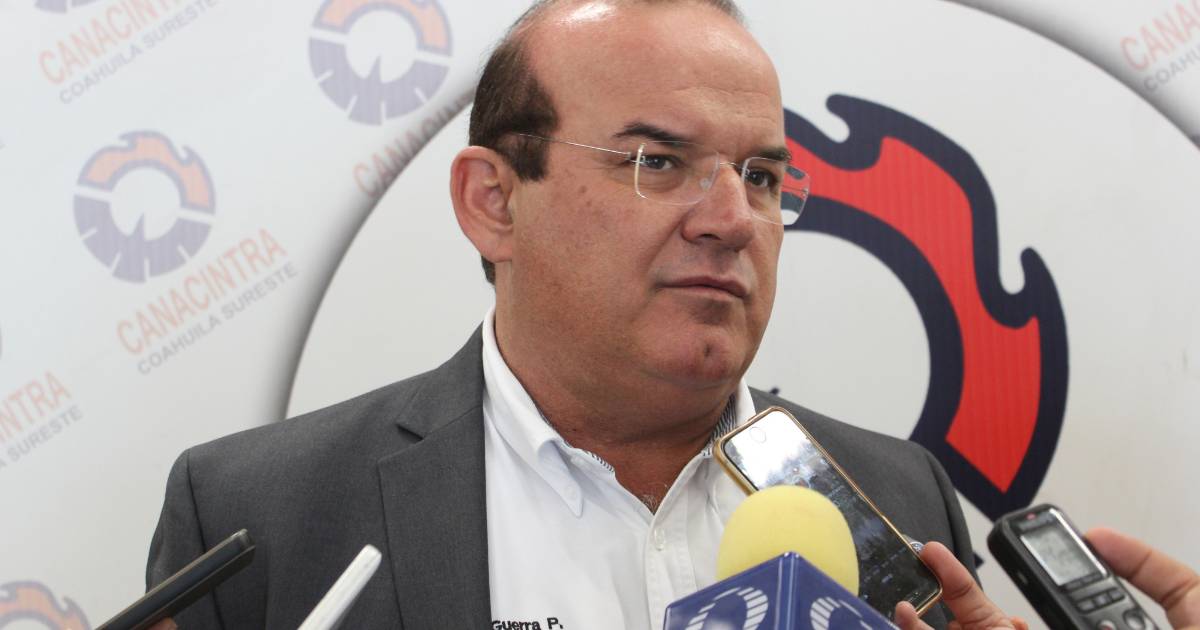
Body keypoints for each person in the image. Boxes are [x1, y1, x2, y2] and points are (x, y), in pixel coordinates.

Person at [146, 1, 980, 628]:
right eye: (658, 161)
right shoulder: (259, 515)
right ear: (494, 200)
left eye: (760, 177)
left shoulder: (902, 498)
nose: (732, 220)